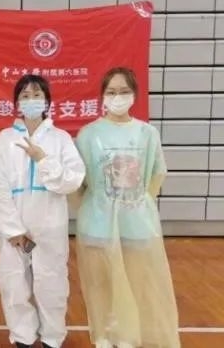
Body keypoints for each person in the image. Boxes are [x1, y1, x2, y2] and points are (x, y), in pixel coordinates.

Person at [74, 67, 180, 348]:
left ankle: (128, 337)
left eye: (124, 91)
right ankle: (103, 336)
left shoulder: (147, 133)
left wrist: (138, 205)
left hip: (136, 224)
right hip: (97, 224)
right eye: (111, 92)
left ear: (134, 94)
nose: (117, 97)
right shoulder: (88, 134)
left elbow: (157, 174)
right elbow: (78, 181)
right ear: (102, 96)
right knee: (101, 286)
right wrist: (94, 209)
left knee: (134, 284)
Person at [0, 75, 85, 348]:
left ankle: (52, 339)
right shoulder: (6, 138)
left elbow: (72, 180)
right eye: (25, 95)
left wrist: (43, 160)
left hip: (50, 224)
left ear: (47, 101)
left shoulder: (60, 139)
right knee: (12, 283)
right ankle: (23, 338)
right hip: (14, 226)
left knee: (52, 283)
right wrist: (13, 229)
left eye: (37, 95)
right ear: (17, 103)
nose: (31, 100)